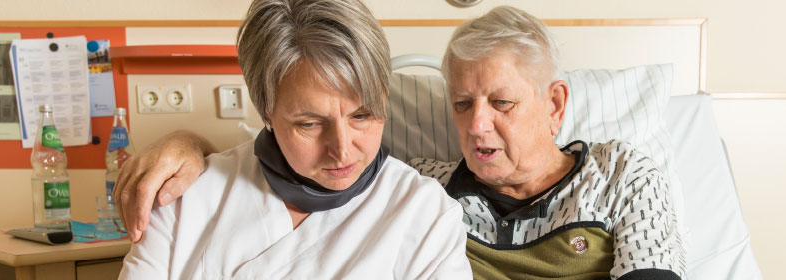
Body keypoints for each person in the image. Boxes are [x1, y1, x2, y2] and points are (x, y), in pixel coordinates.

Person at [116, 5, 685, 280]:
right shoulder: (437, 187)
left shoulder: (623, 176)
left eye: (502, 103)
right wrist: (184, 143)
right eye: (461, 105)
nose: (478, 125)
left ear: (556, 105)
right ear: (268, 112)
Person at [116, 0, 471, 278]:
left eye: (362, 115)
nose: (343, 150)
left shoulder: (425, 214)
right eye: (310, 124)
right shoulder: (185, 198)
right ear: (266, 111)